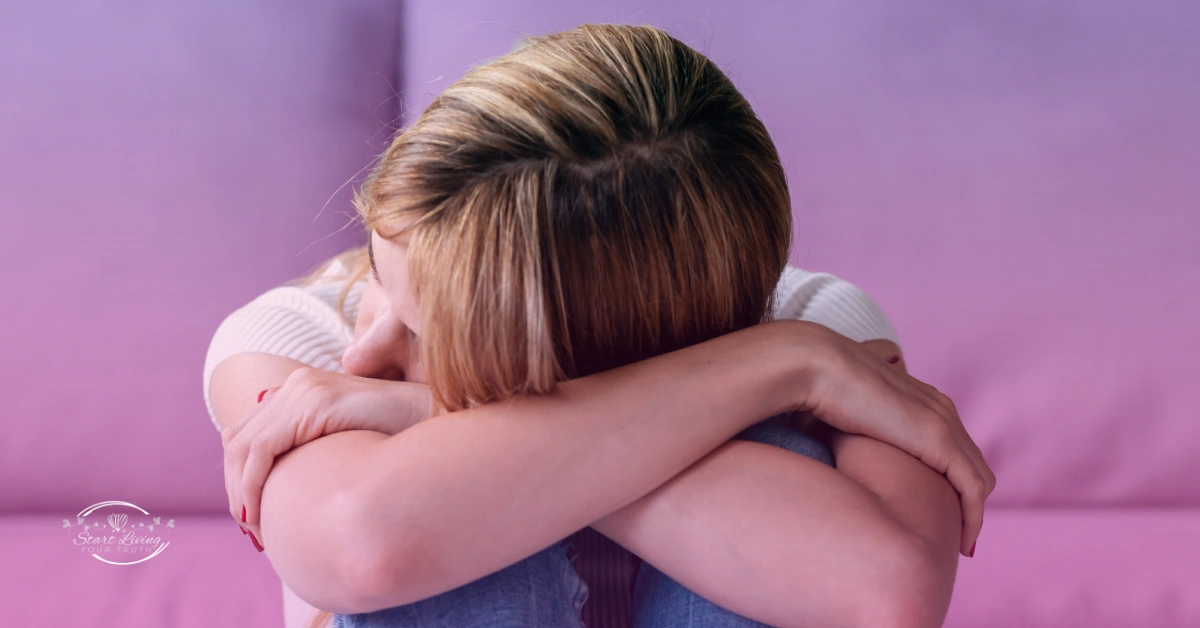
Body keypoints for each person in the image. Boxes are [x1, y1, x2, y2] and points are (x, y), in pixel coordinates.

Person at [205, 23, 994, 628]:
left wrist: (434, 419)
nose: (368, 352)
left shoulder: (811, 320)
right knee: (435, 517)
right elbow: (365, 547)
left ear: (607, 354)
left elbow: (886, 590)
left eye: (430, 333)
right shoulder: (297, 336)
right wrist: (785, 370)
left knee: (776, 451)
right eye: (382, 280)